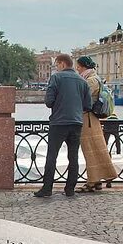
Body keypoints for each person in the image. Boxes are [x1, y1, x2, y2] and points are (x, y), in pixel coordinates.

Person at [34, 54, 89, 198]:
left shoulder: (56, 78)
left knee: (52, 156)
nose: (56, 68)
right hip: (76, 123)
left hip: (58, 123)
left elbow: (49, 102)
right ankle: (70, 189)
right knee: (73, 157)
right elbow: (88, 105)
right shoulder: (82, 81)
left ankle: (47, 189)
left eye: (57, 65)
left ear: (63, 64)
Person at [76, 55, 118, 191]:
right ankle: (97, 179)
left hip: (88, 119)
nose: (77, 69)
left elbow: (81, 97)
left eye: (78, 66)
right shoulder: (92, 78)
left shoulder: (91, 80)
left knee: (90, 150)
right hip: (90, 119)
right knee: (95, 149)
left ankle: (92, 181)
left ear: (83, 67)